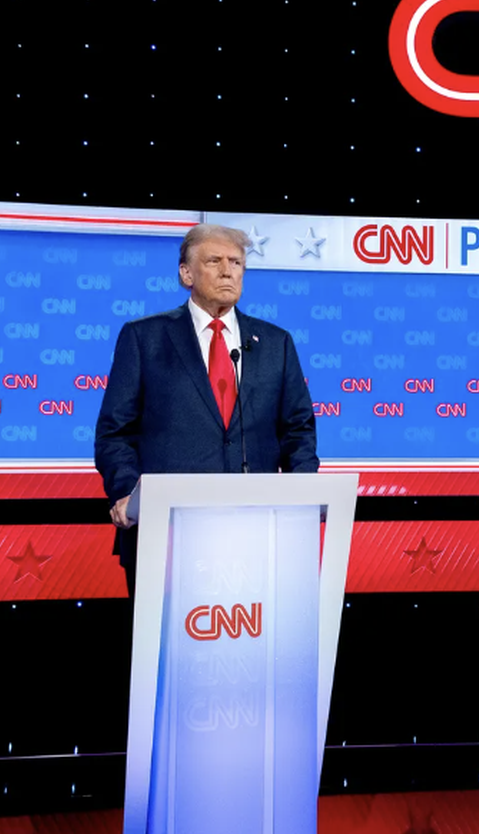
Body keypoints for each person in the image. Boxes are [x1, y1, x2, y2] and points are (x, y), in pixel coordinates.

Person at [95, 224, 319, 586]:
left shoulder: (276, 343)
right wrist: (127, 494)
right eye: (214, 260)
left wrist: (302, 498)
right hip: (166, 530)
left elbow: (298, 429)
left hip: (256, 530)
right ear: (186, 273)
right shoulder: (144, 338)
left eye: (237, 262)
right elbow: (114, 433)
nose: (228, 270)